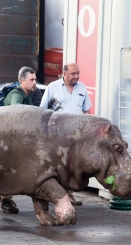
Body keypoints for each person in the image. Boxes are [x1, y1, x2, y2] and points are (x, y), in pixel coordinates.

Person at [39, 63, 92, 206]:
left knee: (72, 165)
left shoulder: (82, 87)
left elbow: (87, 111)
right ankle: (54, 194)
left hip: (76, 135)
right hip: (57, 134)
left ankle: (69, 194)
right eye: (73, 73)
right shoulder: (53, 87)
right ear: (64, 73)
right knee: (57, 165)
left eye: (78, 73)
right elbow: (42, 111)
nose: (76, 76)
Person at [0, 66, 37, 214]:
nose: (34, 82)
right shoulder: (16, 94)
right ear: (22, 81)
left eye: (35, 79)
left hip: (18, 140)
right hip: (8, 140)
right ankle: (6, 199)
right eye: (31, 80)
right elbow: (17, 114)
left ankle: (3, 194)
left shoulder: (29, 94)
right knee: (10, 170)